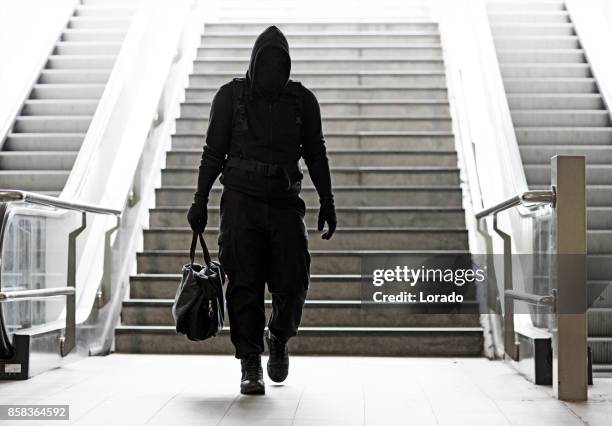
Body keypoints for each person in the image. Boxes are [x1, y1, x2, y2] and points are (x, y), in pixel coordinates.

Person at [187, 25, 336, 395]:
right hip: (240, 203)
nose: (271, 72)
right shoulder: (229, 97)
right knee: (244, 285)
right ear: (254, 63)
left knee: (293, 280)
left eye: (278, 65)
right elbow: (212, 154)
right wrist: (199, 199)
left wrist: (328, 201)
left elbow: (316, 155)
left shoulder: (302, 102)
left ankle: (279, 336)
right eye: (265, 63)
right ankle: (249, 361)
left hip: (285, 205)